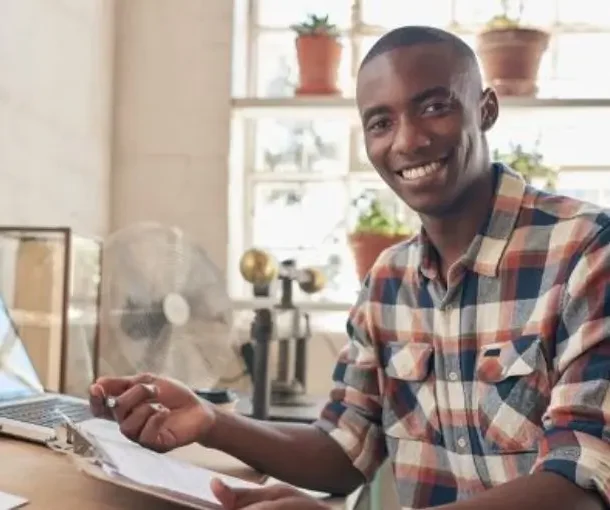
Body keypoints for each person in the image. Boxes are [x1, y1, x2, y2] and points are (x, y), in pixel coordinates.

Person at [89, 25, 610, 510]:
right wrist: (210, 421)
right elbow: (344, 450)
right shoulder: (388, 281)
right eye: (381, 122)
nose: (406, 141)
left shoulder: (586, 250)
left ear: (486, 109)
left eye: (433, 107)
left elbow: (581, 483)